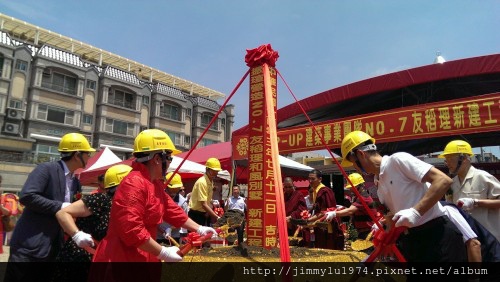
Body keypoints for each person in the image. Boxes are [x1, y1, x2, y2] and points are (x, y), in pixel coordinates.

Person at [91, 129, 216, 265]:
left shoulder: (154, 183)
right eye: (169, 158)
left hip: (143, 253)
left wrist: (199, 228)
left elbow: (170, 210)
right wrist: (162, 251)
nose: (170, 164)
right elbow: (132, 230)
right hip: (121, 257)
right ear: (157, 159)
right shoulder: (134, 183)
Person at [340, 131, 467, 264]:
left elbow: (443, 180)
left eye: (354, 163)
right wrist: (377, 250)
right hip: (414, 242)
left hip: (438, 237)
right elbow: (392, 219)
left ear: (361, 154)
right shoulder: (380, 185)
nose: (355, 168)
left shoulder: (397, 161)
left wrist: (416, 211)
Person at [5, 133, 95, 282]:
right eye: (88, 153)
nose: (89, 157)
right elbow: (27, 196)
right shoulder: (46, 169)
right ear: (77, 155)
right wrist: (62, 206)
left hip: (54, 248)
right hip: (30, 246)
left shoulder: (75, 182)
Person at [53, 164, 132, 281]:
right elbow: (62, 213)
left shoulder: (126, 207)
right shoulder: (101, 200)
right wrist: (77, 235)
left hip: (100, 261)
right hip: (79, 259)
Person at [439, 140, 500, 241]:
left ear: (463, 159)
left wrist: (476, 202)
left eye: (450, 158)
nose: (447, 163)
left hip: (489, 238)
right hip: (467, 239)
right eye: (446, 159)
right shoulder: (452, 183)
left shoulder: (483, 177)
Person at [325, 172, 378, 239]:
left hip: (368, 232)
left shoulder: (363, 197)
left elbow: (350, 211)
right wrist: (343, 208)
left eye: (351, 187)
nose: (350, 189)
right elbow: (353, 211)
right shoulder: (358, 197)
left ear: (357, 186)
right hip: (363, 231)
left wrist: (334, 213)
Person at [305, 169, 344, 250]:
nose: (310, 181)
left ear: (320, 179)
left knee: (327, 248)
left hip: (326, 225)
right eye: (309, 179)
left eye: (313, 179)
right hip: (320, 224)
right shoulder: (316, 191)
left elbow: (324, 212)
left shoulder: (325, 191)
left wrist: (309, 220)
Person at [188, 157, 222, 226]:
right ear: (207, 169)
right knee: (195, 236)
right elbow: (203, 204)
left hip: (203, 214)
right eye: (213, 171)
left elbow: (206, 200)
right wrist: (217, 217)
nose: (215, 173)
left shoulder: (210, 181)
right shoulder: (202, 182)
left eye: (217, 171)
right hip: (195, 215)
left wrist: (210, 206)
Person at [157, 172, 189, 244]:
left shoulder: (182, 202)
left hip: (174, 236)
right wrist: (161, 230)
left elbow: (183, 220)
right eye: (172, 188)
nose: (174, 190)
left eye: (177, 188)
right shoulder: (157, 197)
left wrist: (170, 229)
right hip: (157, 235)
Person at [224, 184, 247, 254]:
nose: (235, 191)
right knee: (231, 234)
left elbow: (247, 209)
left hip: (240, 218)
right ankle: (230, 249)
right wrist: (227, 203)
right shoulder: (229, 199)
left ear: (239, 191)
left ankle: (240, 249)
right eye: (234, 190)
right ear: (232, 191)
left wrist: (247, 202)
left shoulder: (243, 200)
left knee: (240, 234)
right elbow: (225, 209)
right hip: (232, 219)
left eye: (236, 190)